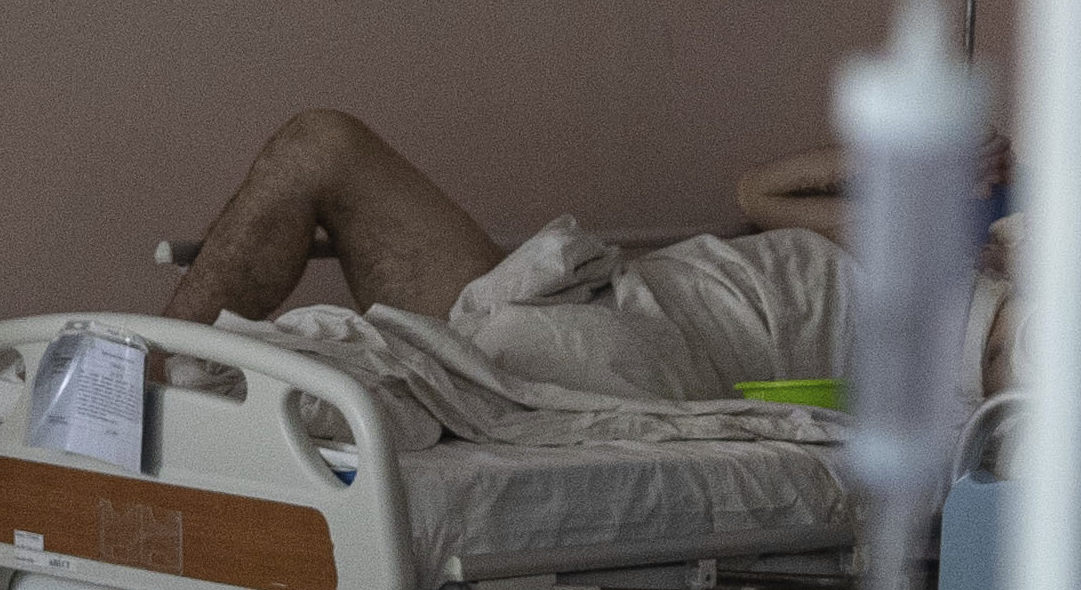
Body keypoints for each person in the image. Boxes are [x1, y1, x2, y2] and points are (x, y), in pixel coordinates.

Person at [148, 113, 881, 405]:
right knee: (319, 147)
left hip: (638, 354)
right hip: (579, 295)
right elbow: (756, 191)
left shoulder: (937, 296)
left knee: (403, 373)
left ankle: (221, 400)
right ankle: (133, 390)